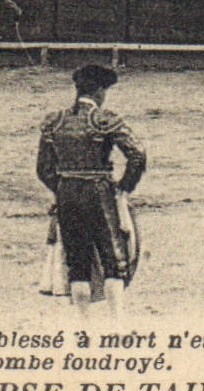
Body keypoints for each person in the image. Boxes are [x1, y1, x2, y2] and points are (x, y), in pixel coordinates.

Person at [36, 64, 146, 320]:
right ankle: (117, 327)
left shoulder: (55, 122)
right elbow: (138, 154)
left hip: (67, 195)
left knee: (78, 262)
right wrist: (122, 189)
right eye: (104, 90)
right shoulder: (104, 120)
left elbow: (43, 169)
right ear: (98, 91)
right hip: (99, 194)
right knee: (113, 260)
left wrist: (62, 188)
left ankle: (84, 326)